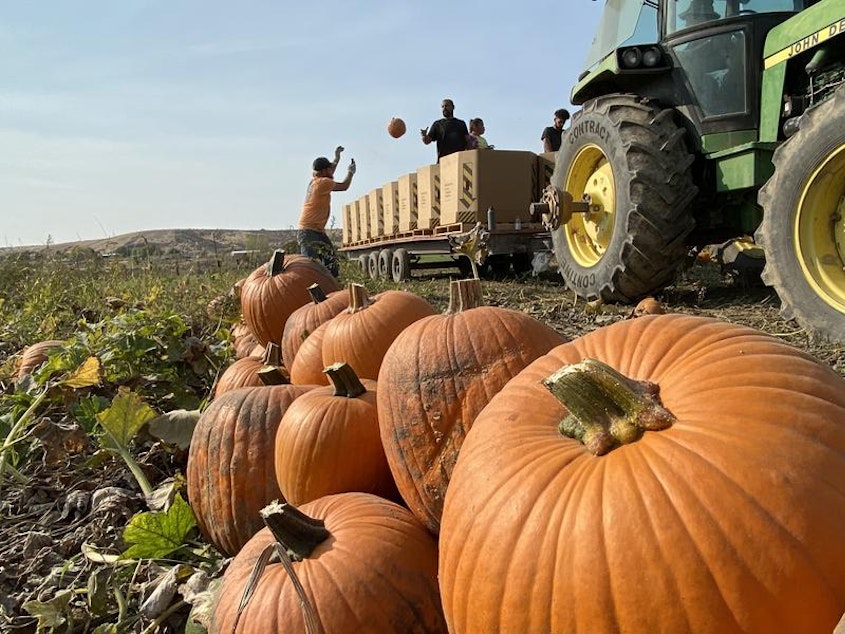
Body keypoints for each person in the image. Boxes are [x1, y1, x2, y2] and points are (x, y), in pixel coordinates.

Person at [297, 146, 356, 277]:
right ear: (324, 171)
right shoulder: (323, 183)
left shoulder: (316, 178)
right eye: (329, 168)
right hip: (309, 232)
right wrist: (350, 172)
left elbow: (330, 169)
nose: (332, 170)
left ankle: (331, 289)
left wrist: (337, 157)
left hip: (316, 231)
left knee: (331, 263)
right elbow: (344, 186)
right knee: (310, 268)